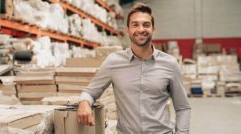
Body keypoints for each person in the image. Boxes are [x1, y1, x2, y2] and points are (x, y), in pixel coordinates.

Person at [77, 2, 191, 134]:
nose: (141, 29)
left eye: (146, 25)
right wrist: (84, 103)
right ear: (128, 30)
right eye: (135, 24)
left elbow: (183, 107)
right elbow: (90, 92)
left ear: (153, 29)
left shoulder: (169, 64)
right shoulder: (113, 62)